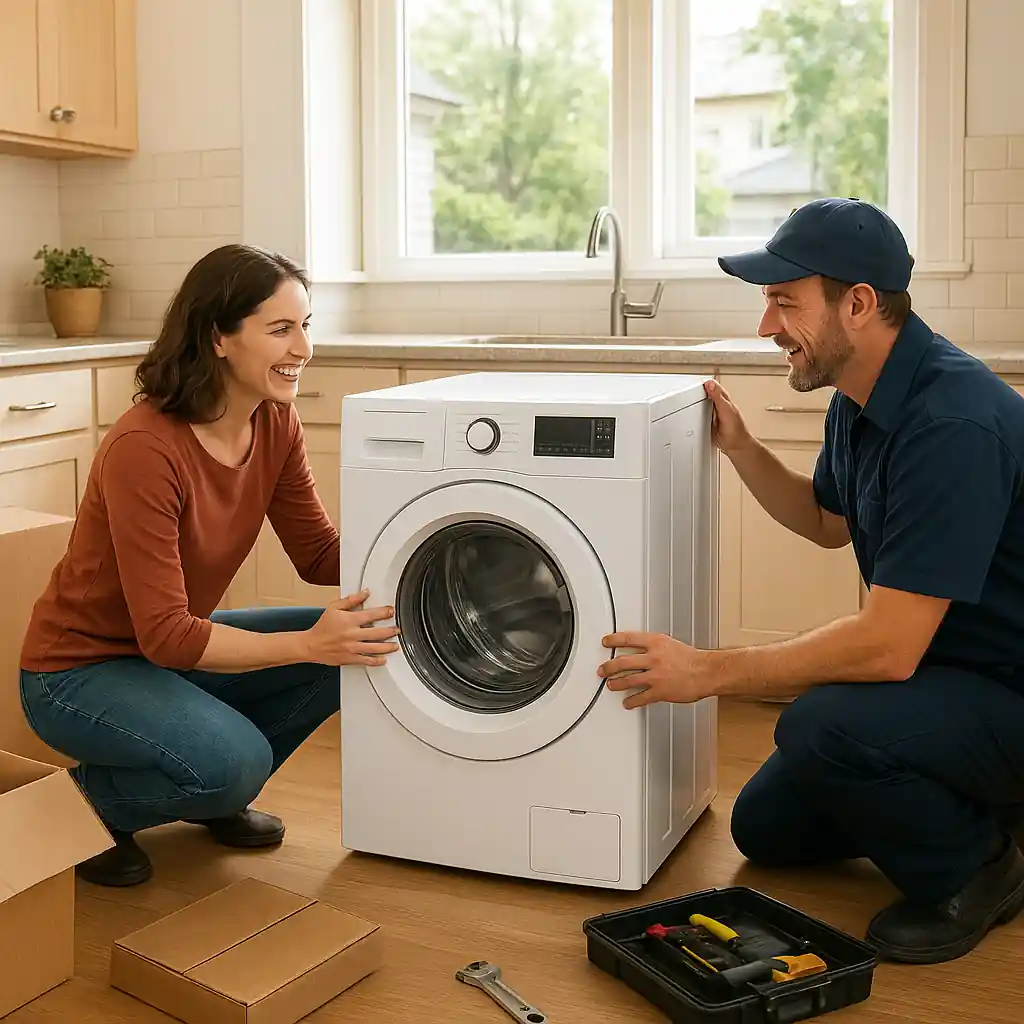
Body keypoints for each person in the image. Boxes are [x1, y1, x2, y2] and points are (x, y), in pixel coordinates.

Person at [597, 197, 1024, 965]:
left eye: (784, 303)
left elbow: (890, 649)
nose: (767, 328)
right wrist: (742, 448)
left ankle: (979, 868)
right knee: (765, 828)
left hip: (1006, 688)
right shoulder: (861, 397)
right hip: (950, 677)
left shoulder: (951, 423)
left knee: (820, 727)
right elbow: (828, 521)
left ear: (858, 304)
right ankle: (965, 796)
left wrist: (708, 670)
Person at [18, 244, 400, 887]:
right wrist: (307, 643)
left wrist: (433, 531)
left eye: (306, 325)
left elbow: (318, 555)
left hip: (161, 655)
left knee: (358, 648)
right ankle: (82, 806)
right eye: (280, 329)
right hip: (76, 672)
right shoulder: (146, 447)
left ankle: (210, 787)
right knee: (238, 754)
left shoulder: (275, 421)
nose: (303, 347)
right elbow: (168, 636)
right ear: (218, 337)